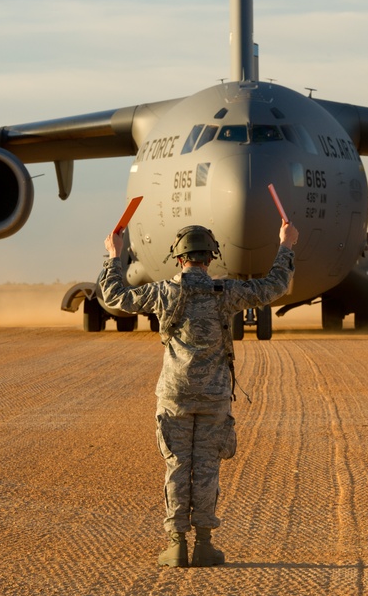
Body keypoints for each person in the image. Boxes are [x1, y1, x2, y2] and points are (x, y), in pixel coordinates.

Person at [99, 221, 298, 568]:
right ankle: (205, 544)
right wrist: (286, 245)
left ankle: (176, 545)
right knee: (207, 470)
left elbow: (115, 296)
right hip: (214, 397)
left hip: (175, 396)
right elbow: (275, 286)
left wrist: (113, 256)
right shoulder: (228, 292)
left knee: (177, 467)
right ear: (211, 257)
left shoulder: (163, 292)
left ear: (178, 258)